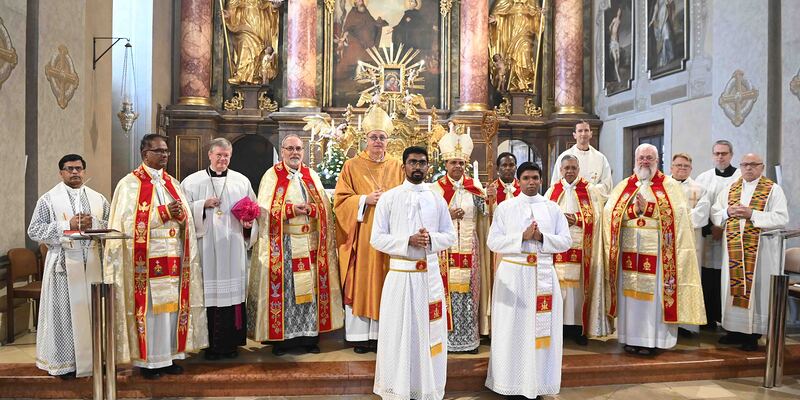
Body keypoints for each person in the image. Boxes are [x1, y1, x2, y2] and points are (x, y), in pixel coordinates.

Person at [104, 134, 207, 379]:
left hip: (173, 256)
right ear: (144, 153)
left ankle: (169, 356)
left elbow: (186, 220)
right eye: (159, 151)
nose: (164, 155)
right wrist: (162, 213)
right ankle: (150, 362)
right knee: (151, 312)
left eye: (167, 151)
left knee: (171, 311)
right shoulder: (129, 184)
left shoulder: (173, 183)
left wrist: (181, 216)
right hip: (146, 261)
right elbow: (125, 226)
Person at [371, 146, 456, 400]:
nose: (417, 167)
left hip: (428, 278)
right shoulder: (390, 198)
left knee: (428, 333)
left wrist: (430, 240)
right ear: (403, 166)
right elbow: (376, 239)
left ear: (428, 166)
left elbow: (450, 235)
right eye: (412, 162)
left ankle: (426, 387)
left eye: (422, 163)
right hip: (400, 276)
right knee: (400, 332)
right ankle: (397, 388)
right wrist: (407, 241)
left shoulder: (437, 198)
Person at [603, 144, 705, 356]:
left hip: (659, 254)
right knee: (630, 298)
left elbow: (680, 217)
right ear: (635, 160)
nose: (644, 162)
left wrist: (648, 209)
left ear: (657, 161)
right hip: (630, 250)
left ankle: (653, 340)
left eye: (649, 158)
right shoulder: (624, 186)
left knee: (653, 299)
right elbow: (609, 215)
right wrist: (633, 210)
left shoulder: (670, 186)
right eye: (641, 158)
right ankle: (630, 338)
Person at [248, 134, 344, 355]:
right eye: (290, 148)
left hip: (310, 244)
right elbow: (264, 211)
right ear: (282, 151)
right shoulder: (272, 176)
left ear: (303, 151)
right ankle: (282, 341)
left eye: (298, 149)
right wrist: (291, 210)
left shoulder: (311, 176)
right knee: (287, 292)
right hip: (284, 246)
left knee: (309, 292)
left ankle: (309, 339)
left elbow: (325, 210)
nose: (294, 153)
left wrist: (312, 209)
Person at [485, 161, 572, 399]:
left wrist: (542, 237)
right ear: (519, 180)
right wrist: (521, 237)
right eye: (526, 178)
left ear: (541, 180)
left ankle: (540, 384)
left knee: (541, 333)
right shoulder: (506, 207)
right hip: (514, 276)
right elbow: (493, 243)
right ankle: (509, 383)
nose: (531, 182)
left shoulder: (552, 208)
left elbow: (566, 241)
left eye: (535, 178)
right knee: (512, 330)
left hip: (543, 276)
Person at [27, 154, 109, 379]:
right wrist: (67, 225)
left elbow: (111, 226)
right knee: (63, 316)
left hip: (92, 263)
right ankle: (64, 364)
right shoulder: (48, 199)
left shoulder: (98, 199)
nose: (75, 173)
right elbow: (34, 230)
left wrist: (95, 223)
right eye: (70, 169)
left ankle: (92, 361)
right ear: (61, 172)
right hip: (63, 266)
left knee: (92, 313)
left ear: (84, 171)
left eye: (79, 169)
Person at [334, 105, 404, 353]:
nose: (377, 141)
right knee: (363, 279)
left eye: (382, 137)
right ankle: (361, 336)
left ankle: (385, 334)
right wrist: (365, 200)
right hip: (363, 234)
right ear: (366, 139)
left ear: (388, 140)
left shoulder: (398, 166)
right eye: (373, 137)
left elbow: (407, 197)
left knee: (388, 279)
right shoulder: (352, 165)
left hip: (390, 236)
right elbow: (340, 201)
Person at [181, 138, 257, 360]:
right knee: (209, 295)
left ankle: (231, 344)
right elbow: (183, 214)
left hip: (233, 246)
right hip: (206, 248)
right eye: (219, 155)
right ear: (210, 155)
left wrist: (248, 225)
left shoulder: (241, 182)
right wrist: (202, 205)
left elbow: (251, 212)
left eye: (227, 156)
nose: (223, 159)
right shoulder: (192, 182)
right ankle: (209, 344)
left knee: (232, 295)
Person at [711, 153, 788, 351]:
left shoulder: (772, 190)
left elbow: (781, 218)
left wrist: (752, 214)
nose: (748, 168)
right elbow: (715, 212)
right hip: (733, 251)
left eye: (753, 165)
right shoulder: (730, 188)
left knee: (756, 292)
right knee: (732, 289)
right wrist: (728, 212)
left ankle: (752, 334)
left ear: (762, 167)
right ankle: (733, 331)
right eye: (745, 164)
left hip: (761, 252)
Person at [431, 128, 489, 353]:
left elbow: (485, 213)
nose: (457, 166)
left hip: (469, 248)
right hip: (444, 252)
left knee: (469, 292)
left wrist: (489, 199)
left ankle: (469, 340)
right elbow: (428, 216)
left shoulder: (474, 188)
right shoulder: (436, 189)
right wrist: (447, 213)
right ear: (445, 164)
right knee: (445, 291)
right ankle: (446, 339)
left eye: (461, 163)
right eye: (453, 162)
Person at [544, 155, 609, 346]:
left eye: (573, 167)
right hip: (557, 250)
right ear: (561, 170)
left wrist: (578, 219)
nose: (570, 171)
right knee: (559, 288)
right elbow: (544, 216)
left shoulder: (590, 191)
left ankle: (579, 328)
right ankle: (559, 327)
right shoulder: (552, 191)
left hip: (582, 248)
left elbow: (598, 218)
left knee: (578, 290)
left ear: (578, 169)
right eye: (566, 168)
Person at [694, 140, 741, 330]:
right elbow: (698, 206)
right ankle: (708, 318)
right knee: (707, 275)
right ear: (712, 155)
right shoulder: (703, 178)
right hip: (706, 235)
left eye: (724, 153)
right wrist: (709, 228)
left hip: (730, 236)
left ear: (731, 155)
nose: (720, 157)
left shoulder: (740, 177)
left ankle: (727, 318)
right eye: (717, 153)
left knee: (726, 275)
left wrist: (721, 227)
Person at [668, 153, 710, 336]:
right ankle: (668, 321)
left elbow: (701, 215)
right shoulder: (662, 186)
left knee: (687, 281)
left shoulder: (699, 189)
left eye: (685, 166)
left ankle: (686, 325)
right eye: (678, 165)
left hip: (690, 243)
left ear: (691, 169)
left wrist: (676, 220)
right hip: (667, 241)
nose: (682, 168)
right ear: (671, 167)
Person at [488, 0, 542, 92]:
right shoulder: (504, 2)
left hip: (525, 35)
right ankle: (512, 82)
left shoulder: (532, 2)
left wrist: (540, 15)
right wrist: (495, 21)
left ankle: (524, 82)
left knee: (525, 53)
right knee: (511, 59)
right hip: (509, 36)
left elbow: (536, 23)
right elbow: (498, 15)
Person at [223, 0, 282, 84]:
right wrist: (229, 15)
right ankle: (241, 74)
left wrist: (274, 7)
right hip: (244, 23)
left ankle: (256, 75)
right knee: (245, 41)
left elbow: (268, 5)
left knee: (259, 48)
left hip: (260, 22)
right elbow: (232, 4)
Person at [551, 121, 613, 197]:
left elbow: (607, 185)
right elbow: (556, 184)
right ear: (574, 135)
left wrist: (588, 189)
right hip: (570, 200)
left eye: (586, 130)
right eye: (580, 131)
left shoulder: (600, 158)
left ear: (591, 134)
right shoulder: (564, 157)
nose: (583, 134)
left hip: (593, 201)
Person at [648, 0, 675, 68]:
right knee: (662, 39)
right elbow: (655, 10)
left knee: (667, 36)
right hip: (660, 19)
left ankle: (670, 56)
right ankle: (664, 59)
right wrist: (652, 20)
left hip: (665, 18)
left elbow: (670, 3)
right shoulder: (657, 2)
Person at [609, 7, 622, 82]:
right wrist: (611, 32)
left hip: (616, 42)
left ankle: (617, 73)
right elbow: (610, 26)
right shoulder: (614, 19)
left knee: (618, 58)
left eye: (620, 12)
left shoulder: (619, 21)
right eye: (618, 11)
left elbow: (618, 31)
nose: (619, 13)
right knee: (615, 59)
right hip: (613, 42)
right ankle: (618, 76)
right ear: (617, 12)